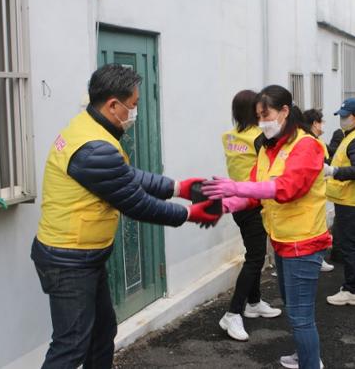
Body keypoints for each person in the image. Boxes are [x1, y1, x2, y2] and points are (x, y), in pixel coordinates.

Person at [31, 64, 220, 369]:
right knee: (71, 346)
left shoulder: (88, 130)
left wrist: (177, 187)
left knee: (102, 332)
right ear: (113, 105)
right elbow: (136, 202)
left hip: (82, 256)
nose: (135, 112)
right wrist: (188, 213)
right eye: (133, 105)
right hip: (69, 260)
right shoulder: (94, 148)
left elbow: (125, 175)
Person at [203, 85, 330, 369]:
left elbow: (288, 187)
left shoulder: (306, 145)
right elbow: (255, 187)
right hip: (282, 240)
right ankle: (304, 356)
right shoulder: (269, 147)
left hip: (303, 242)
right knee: (295, 310)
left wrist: (236, 186)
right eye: (258, 117)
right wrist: (227, 204)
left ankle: (311, 362)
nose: (262, 122)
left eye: (266, 115)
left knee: (300, 316)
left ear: (285, 111)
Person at [219, 90, 282, 342]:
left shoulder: (228, 136)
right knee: (255, 258)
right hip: (254, 202)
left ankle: (253, 302)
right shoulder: (259, 138)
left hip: (238, 202)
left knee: (255, 253)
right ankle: (233, 312)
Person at [323, 98, 355, 307]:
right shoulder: (352, 135)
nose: (342, 120)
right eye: (341, 116)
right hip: (353, 199)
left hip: (351, 200)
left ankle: (351, 290)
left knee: (349, 245)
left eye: (346, 116)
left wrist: (333, 171)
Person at [304, 108, 336, 273]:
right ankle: (317, 259)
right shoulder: (313, 142)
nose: (323, 124)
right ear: (314, 123)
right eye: (321, 121)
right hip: (316, 192)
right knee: (317, 228)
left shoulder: (310, 140)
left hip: (317, 192)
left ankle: (317, 258)